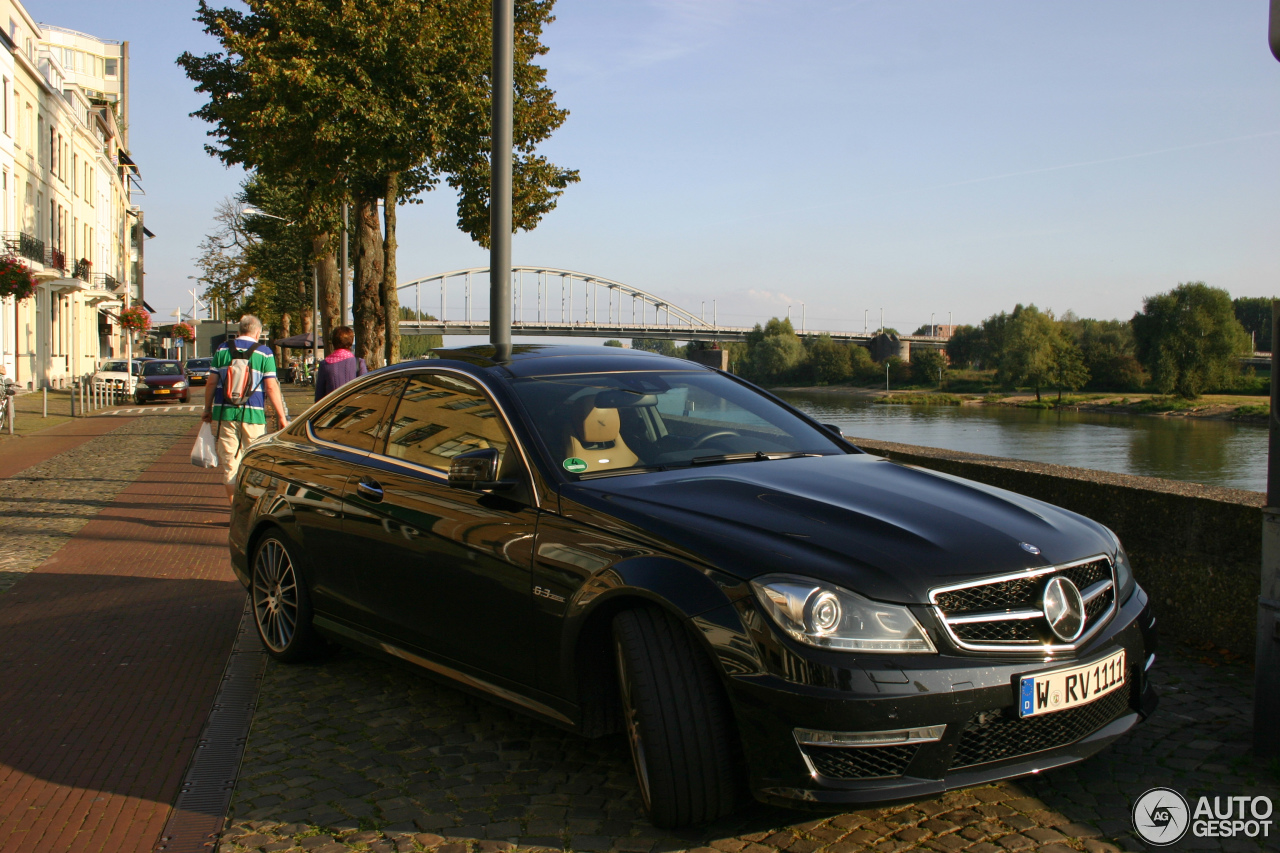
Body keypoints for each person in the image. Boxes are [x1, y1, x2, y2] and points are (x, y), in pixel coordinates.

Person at [202, 315, 290, 502]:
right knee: (256, 463)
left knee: (230, 465)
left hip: (224, 413)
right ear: (257, 332)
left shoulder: (222, 349)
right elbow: (272, 387)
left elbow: (211, 383)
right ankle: (251, 507)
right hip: (254, 415)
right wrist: (281, 416)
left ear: (239, 331)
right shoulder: (264, 352)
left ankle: (235, 510)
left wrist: (207, 409)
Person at [314, 326, 368, 402]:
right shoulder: (358, 363)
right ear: (351, 342)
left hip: (331, 410)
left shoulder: (324, 364)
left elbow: (319, 395)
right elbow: (365, 390)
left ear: (333, 341)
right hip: (353, 408)